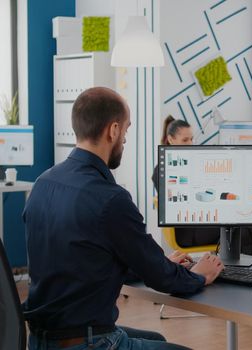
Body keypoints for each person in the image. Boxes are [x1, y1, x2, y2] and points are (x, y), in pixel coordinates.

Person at [22, 87, 224, 350]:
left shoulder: (43, 183)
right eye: (126, 130)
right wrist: (200, 276)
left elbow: (86, 259)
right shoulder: (110, 199)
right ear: (113, 130)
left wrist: (158, 262)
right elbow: (162, 280)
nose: (125, 140)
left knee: (157, 340)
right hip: (89, 342)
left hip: (40, 340)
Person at [152, 117, 252, 258]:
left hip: (199, 221)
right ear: (170, 140)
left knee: (241, 217)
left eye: (191, 139)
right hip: (188, 232)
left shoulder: (187, 164)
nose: (190, 144)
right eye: (185, 140)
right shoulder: (163, 169)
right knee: (240, 224)